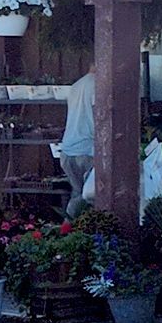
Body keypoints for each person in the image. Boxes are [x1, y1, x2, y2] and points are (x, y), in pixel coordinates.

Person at [59, 66, 95, 218]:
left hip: (68, 150)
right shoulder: (99, 85)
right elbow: (100, 115)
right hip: (87, 150)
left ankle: (70, 229)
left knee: (78, 193)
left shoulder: (75, 86)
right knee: (92, 196)